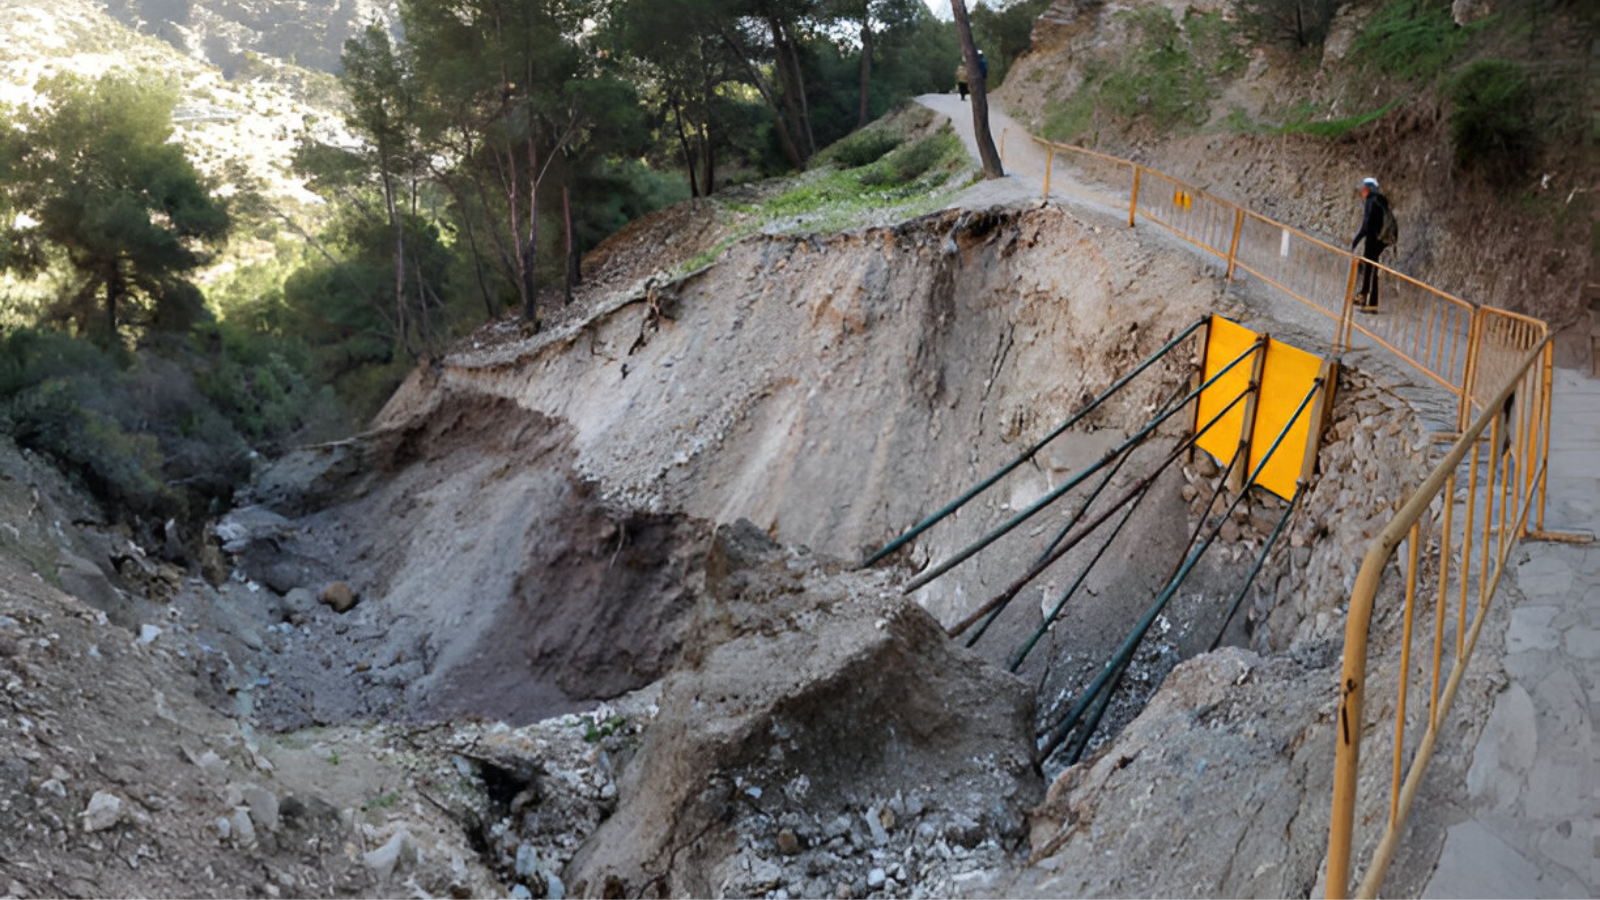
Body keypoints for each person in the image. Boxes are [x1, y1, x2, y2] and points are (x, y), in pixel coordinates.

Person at [1351, 176, 1394, 312]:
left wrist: (1356, 240)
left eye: (1363, 189)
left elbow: (1366, 225)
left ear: (1368, 189)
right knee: (1370, 268)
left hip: (1374, 239)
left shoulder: (1372, 201)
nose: (1362, 192)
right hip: (1379, 239)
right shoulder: (1379, 200)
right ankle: (1364, 297)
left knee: (1371, 269)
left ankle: (1371, 303)